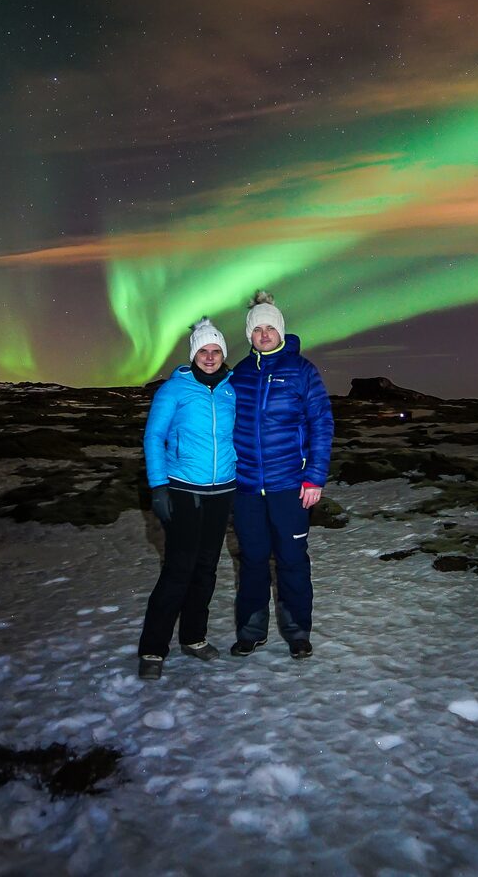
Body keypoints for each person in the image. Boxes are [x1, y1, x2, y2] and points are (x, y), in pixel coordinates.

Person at [228, 290, 334, 660]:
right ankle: (251, 631)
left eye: (270, 327)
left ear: (281, 330)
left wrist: (315, 477)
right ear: (250, 334)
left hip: (289, 485)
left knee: (291, 559)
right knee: (253, 560)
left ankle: (297, 632)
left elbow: (322, 423)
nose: (264, 334)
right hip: (246, 489)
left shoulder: (302, 371)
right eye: (257, 329)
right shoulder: (238, 375)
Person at [137, 318, 238, 680]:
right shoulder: (174, 390)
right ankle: (152, 648)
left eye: (216, 351)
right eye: (203, 351)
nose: (210, 358)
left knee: (206, 569)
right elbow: (154, 438)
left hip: (222, 490)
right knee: (179, 570)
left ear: (223, 354)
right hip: (182, 489)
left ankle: (194, 638)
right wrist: (158, 486)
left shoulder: (231, 389)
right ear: (193, 353)